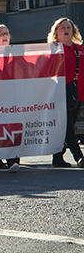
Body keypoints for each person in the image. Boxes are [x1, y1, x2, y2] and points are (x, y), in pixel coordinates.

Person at [48, 18, 84, 168]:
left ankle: (57, 157)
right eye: (62, 27)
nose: (65, 29)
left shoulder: (80, 49)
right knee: (69, 126)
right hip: (61, 93)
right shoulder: (53, 49)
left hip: (79, 92)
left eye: (68, 27)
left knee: (70, 124)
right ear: (56, 32)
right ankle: (79, 157)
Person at [0, 25, 20, 173]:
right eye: (0, 33)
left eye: (6, 33)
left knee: (12, 125)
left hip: (13, 97)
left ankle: (13, 158)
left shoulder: (15, 53)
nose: (4, 35)